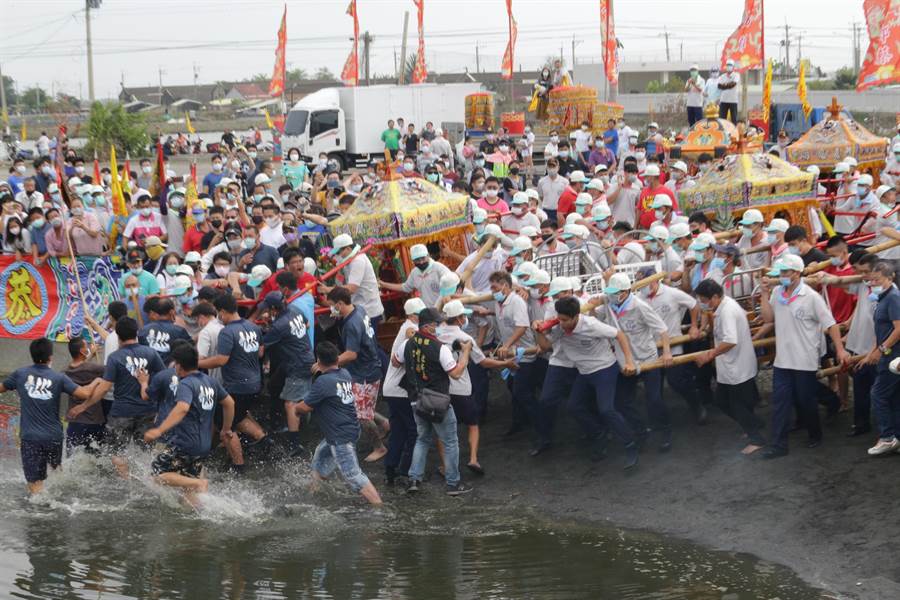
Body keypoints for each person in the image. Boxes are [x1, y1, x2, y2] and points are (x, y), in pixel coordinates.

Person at [758, 254, 850, 459]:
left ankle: (815, 432)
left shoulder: (811, 297)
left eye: (785, 272)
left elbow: (831, 324)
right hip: (782, 359)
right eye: (780, 273)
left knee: (806, 400)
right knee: (781, 402)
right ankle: (778, 444)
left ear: (797, 274)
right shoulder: (777, 292)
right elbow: (768, 318)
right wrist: (764, 294)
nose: (781, 276)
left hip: (805, 358)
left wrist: (840, 349)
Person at [534, 296, 640, 469]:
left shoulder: (591, 325)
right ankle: (599, 434)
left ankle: (630, 444)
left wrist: (628, 361)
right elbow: (545, 346)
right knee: (574, 407)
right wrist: (538, 331)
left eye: (565, 320)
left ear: (576, 316)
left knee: (607, 409)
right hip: (584, 372)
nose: (561, 323)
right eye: (559, 319)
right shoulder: (560, 326)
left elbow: (619, 335)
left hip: (604, 369)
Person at [70, 317, 166, 478]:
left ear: (118, 337)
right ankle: (149, 480)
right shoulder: (151, 353)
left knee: (116, 452)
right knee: (146, 452)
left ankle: (127, 481)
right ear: (136, 333)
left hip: (122, 412)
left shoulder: (115, 357)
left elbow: (104, 388)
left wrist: (83, 406)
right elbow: (163, 379)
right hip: (147, 411)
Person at [143, 344, 236, 509]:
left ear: (179, 365)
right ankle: (198, 517)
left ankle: (199, 483)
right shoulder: (210, 381)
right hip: (204, 444)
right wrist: (226, 429)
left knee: (156, 473)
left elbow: (182, 408)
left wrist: (159, 430)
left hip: (185, 442)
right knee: (188, 490)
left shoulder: (186, 384)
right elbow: (229, 403)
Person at [0, 338, 98, 494]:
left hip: (30, 438)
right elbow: (85, 393)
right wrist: (97, 381)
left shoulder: (20, 374)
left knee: (34, 483)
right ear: (51, 357)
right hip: (54, 436)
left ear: (32, 355)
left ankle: (41, 511)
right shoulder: (58, 378)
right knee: (56, 472)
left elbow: (1, 388)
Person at [295, 341, 383, 505]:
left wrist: (294, 408)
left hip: (340, 436)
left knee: (353, 475)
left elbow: (304, 407)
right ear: (337, 358)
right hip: (348, 430)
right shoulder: (345, 374)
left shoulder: (323, 382)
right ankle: (314, 491)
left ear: (318, 360)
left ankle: (378, 505)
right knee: (320, 457)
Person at [398, 307, 474, 496]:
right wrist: (465, 352)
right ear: (430, 326)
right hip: (438, 401)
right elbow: (456, 373)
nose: (441, 326)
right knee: (450, 441)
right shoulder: (439, 348)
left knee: (422, 439)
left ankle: (414, 479)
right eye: (438, 323)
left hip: (416, 400)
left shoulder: (407, 343)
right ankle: (453, 483)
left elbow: (395, 360)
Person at [198, 293, 273, 464]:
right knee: (238, 417)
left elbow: (222, 359)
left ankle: (238, 465)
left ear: (223, 312)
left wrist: (199, 362)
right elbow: (261, 351)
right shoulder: (253, 326)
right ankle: (264, 440)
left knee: (225, 425)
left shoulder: (227, 332)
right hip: (255, 383)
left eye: (218, 314)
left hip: (237, 386)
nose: (219, 318)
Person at [694, 280, 765, 453]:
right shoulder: (724, 307)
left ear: (716, 297)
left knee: (736, 404)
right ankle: (753, 425)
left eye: (705, 300)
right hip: (732, 365)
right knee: (723, 400)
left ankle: (756, 438)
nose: (704, 304)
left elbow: (730, 340)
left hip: (737, 365)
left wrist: (710, 354)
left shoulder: (727, 311)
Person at [326, 286, 388, 462]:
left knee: (360, 414)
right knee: (360, 405)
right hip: (368, 367)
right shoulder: (359, 309)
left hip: (365, 373)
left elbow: (351, 354)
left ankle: (379, 447)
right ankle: (384, 423)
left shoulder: (351, 324)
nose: (331, 309)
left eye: (332, 306)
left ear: (339, 304)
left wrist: (328, 364)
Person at [260, 292, 315, 458]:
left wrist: (269, 327)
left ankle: (294, 443)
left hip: (297, 364)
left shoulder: (279, 325)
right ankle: (280, 422)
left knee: (290, 404)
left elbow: (261, 349)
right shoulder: (294, 310)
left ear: (273, 309)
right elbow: (306, 325)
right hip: (303, 357)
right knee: (274, 384)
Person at [860, 262, 900, 455]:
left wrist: (881, 349)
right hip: (888, 353)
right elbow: (881, 328)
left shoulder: (893, 298)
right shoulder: (882, 297)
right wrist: (874, 349)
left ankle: (887, 437)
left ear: (890, 278)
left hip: (893, 355)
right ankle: (896, 436)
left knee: (878, 394)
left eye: (878, 280)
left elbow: (898, 329)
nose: (873, 283)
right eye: (872, 280)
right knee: (893, 396)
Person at [63, 337, 107, 455]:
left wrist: (90, 354)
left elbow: (80, 366)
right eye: (86, 346)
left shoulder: (67, 371)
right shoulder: (95, 369)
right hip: (94, 421)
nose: (88, 347)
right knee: (97, 457)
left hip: (75, 421)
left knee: (71, 458)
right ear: (82, 351)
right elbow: (111, 371)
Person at [378, 243, 451, 307]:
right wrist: (384, 284)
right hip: (428, 313)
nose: (421, 262)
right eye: (417, 260)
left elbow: (452, 282)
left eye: (423, 258)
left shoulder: (438, 268)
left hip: (444, 310)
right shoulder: (414, 273)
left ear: (428, 255)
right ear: (413, 261)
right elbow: (405, 287)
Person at [139, 298, 192, 365]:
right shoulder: (179, 331)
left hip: (150, 372)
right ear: (172, 311)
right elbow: (190, 352)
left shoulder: (143, 331)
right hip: (174, 372)